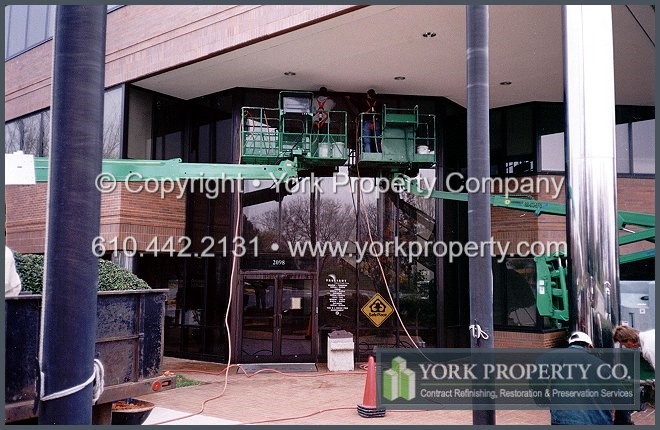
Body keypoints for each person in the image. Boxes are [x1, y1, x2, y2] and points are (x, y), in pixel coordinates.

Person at [538, 331, 615, 425]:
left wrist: (542, 400)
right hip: (597, 420)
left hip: (563, 419)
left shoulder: (553, 357)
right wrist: (622, 420)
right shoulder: (601, 365)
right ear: (588, 346)